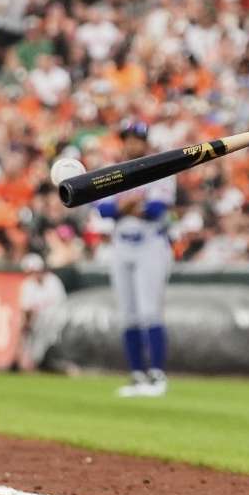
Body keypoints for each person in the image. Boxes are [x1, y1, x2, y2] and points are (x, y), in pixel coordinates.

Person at [96, 120, 176, 398]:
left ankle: (157, 376)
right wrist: (126, 206)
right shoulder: (114, 171)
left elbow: (155, 209)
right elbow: (102, 208)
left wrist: (122, 207)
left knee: (150, 311)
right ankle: (137, 376)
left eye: (136, 138)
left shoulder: (161, 167)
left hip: (150, 243)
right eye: (127, 138)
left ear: (145, 141)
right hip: (121, 245)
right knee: (128, 315)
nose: (131, 143)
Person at [16, 252, 66, 372]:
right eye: (32, 271)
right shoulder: (27, 284)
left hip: (56, 322)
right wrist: (25, 325)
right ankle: (28, 362)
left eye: (37, 270)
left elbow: (63, 305)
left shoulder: (53, 281)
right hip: (37, 324)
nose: (36, 274)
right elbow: (26, 310)